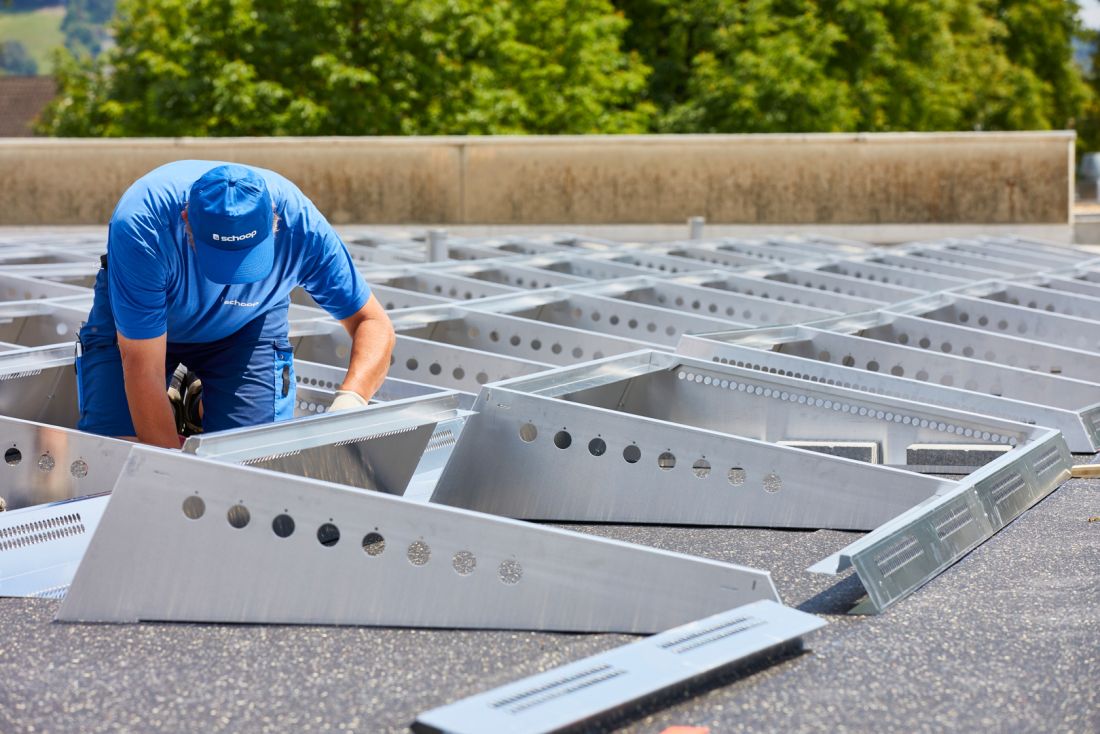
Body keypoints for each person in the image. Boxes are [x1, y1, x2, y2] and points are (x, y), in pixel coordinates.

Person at [76, 160, 395, 448]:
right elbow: (142, 368)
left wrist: (350, 402)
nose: (234, 277)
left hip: (246, 325)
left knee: (252, 458)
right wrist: (169, 470)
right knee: (119, 455)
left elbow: (372, 322)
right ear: (186, 220)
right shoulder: (143, 225)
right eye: (222, 260)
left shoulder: (302, 228)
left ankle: (198, 404)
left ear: (274, 220)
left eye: (247, 261)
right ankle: (179, 403)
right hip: (142, 329)